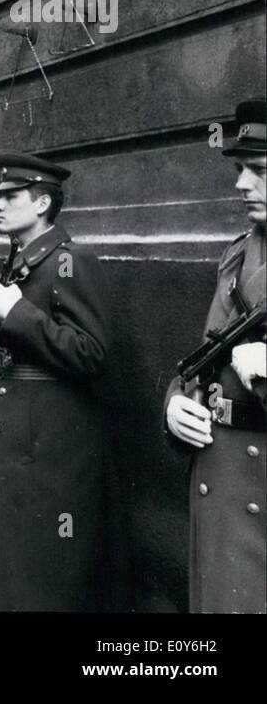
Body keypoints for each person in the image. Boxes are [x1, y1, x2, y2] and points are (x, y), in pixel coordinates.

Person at [0, 152, 109, 611]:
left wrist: (15, 312)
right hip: (16, 444)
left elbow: (91, 353)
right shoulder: (21, 263)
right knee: (12, 575)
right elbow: (11, 349)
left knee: (42, 578)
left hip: (49, 456)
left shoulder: (70, 262)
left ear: (42, 202)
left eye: (11, 196)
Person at [164, 98, 266, 613]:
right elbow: (205, 353)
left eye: (260, 171)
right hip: (217, 476)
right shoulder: (238, 252)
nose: (241, 184)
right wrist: (175, 403)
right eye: (241, 169)